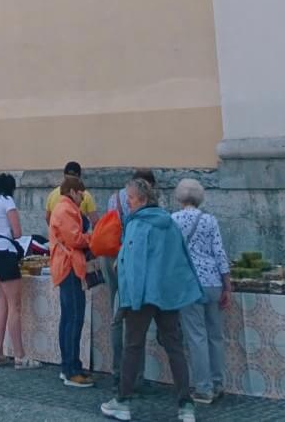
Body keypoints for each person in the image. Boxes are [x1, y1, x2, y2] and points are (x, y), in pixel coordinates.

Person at [101, 178, 201, 422]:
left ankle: (122, 401)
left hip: (141, 296)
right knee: (174, 346)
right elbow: (180, 260)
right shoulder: (170, 223)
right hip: (166, 295)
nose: (128, 203)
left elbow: (133, 268)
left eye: (131, 198)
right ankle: (186, 405)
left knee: (133, 346)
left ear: (142, 200)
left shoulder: (138, 225)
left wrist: (127, 302)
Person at [172, 178, 232, 405]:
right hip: (213, 282)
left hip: (189, 283)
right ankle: (218, 383)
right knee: (215, 335)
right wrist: (227, 283)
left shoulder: (173, 220)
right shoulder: (209, 220)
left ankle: (203, 388)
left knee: (196, 336)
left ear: (179, 197)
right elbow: (219, 252)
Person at [102, 168, 158, 399]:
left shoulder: (114, 198)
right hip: (131, 259)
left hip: (110, 257)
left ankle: (117, 373)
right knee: (136, 317)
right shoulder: (150, 204)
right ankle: (136, 376)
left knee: (117, 317)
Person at [0, 173, 40, 370]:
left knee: (2, 303)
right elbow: (17, 232)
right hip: (5, 252)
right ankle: (20, 356)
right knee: (15, 305)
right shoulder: (7, 201)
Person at [49, 175, 93, 388]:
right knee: (75, 317)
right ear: (72, 192)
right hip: (69, 266)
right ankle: (71, 370)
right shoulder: (66, 209)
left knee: (68, 318)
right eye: (80, 194)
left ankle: (68, 365)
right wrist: (92, 238)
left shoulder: (62, 207)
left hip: (64, 266)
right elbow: (74, 239)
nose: (82, 198)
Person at [45, 161, 97, 225]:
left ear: (64, 175)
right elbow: (95, 221)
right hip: (77, 233)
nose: (81, 199)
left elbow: (48, 218)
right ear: (79, 177)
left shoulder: (52, 194)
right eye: (81, 198)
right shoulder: (85, 194)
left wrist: (56, 230)